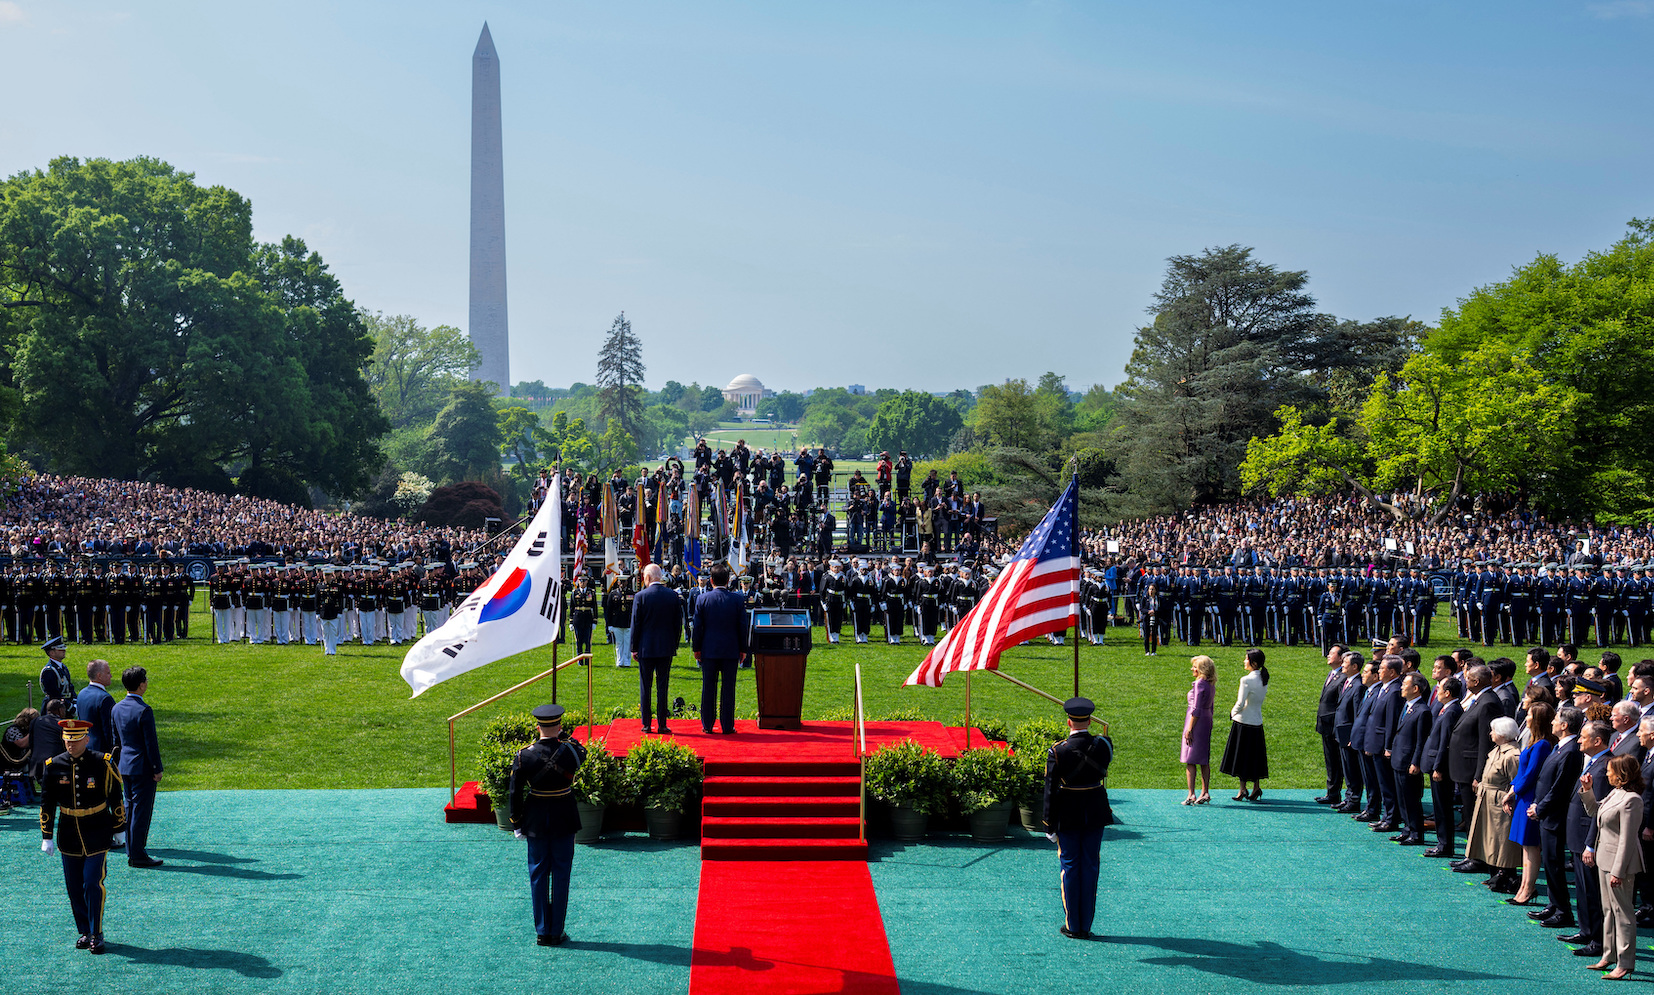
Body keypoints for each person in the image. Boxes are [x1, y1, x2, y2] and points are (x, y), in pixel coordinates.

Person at [38, 717, 127, 954]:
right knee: (75, 887)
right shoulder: (53, 765)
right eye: (67, 740)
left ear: (86, 739)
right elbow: (47, 803)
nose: (70, 745)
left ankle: (97, 933)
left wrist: (119, 828)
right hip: (68, 833)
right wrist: (46, 835)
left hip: (97, 831)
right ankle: (84, 931)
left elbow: (115, 796)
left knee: (92, 882)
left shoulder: (102, 762)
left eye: (75, 740)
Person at [506, 703, 587, 947]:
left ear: (537, 726)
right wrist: (565, 737)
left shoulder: (524, 754)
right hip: (564, 814)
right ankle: (556, 930)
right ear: (560, 726)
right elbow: (582, 753)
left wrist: (516, 822)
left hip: (536, 818)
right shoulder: (571, 751)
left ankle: (542, 931)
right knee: (561, 873)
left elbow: (514, 792)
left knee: (538, 873)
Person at [1041, 696, 1114, 940]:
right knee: (1090, 865)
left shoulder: (1058, 750)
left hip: (1068, 813)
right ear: (1090, 720)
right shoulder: (1104, 744)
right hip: (1095, 811)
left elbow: (1050, 790)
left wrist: (1048, 824)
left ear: (1069, 721)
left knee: (1070, 866)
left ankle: (1073, 925)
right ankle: (1086, 924)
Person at [1581, 754, 1646, 977]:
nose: (1607, 773)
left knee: (1623, 913)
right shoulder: (1615, 793)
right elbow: (1594, 812)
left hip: (1620, 865)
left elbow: (1628, 840)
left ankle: (1625, 963)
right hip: (1605, 859)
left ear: (1622, 775)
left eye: (1610, 770)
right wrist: (1588, 791)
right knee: (1608, 910)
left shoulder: (1632, 800)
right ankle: (1609, 955)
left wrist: (1618, 871)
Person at [1564, 719, 1616, 958]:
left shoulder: (1604, 767)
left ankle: (1597, 939)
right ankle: (1586, 931)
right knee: (1583, 890)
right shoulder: (1594, 763)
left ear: (1597, 741)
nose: (1578, 741)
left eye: (1583, 737)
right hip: (1579, 834)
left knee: (1591, 892)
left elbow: (1600, 811)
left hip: (1588, 837)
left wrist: (1589, 844)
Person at [111, 665, 164, 868]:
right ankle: (137, 853)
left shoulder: (116, 708)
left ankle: (132, 850)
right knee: (141, 812)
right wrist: (156, 768)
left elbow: (116, 741)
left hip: (125, 765)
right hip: (142, 768)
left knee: (130, 808)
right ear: (141, 685)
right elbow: (151, 743)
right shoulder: (143, 710)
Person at [1504, 702, 1556, 904]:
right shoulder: (1534, 742)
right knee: (1525, 846)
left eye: (1530, 715)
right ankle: (1524, 886)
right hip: (1522, 795)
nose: (1526, 717)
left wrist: (1513, 791)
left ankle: (1528, 888)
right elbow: (1522, 773)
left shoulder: (1542, 744)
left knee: (1531, 846)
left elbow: (1531, 774)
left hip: (1529, 797)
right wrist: (1512, 789)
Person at [1465, 716, 1523, 892]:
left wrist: (1509, 798)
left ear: (1504, 735)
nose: (1491, 734)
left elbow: (1516, 782)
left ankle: (1506, 876)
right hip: (1487, 799)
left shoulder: (1512, 755)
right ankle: (1494, 874)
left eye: (1494, 731)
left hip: (1499, 802)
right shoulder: (1497, 750)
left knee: (1500, 841)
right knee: (1488, 839)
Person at [693, 562, 749, 735]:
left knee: (708, 688)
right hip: (731, 650)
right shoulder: (737, 599)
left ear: (710, 581)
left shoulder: (703, 599)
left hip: (709, 650)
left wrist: (696, 649)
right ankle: (727, 725)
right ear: (728, 581)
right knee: (728, 689)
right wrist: (743, 649)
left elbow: (697, 627)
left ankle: (707, 725)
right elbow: (742, 627)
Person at [630, 564, 682, 735]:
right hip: (665, 648)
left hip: (645, 648)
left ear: (647, 577)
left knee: (646, 686)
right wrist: (674, 644)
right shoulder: (673, 596)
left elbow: (636, 624)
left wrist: (634, 648)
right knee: (662, 686)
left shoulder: (641, 596)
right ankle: (662, 724)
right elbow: (677, 625)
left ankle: (646, 724)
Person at [1389, 672, 1433, 845]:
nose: (1401, 686)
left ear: (1415, 689)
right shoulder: (1407, 706)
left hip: (1409, 762)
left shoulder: (1423, 711)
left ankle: (1416, 833)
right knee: (1402, 798)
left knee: (1411, 799)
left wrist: (1416, 762)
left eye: (1405, 684)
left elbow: (1421, 741)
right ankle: (1407, 829)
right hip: (1399, 759)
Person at [1220, 648, 1270, 801]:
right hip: (1257, 721)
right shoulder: (1264, 678)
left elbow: (1240, 703)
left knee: (1241, 756)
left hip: (1243, 722)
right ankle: (1256, 787)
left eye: (1246, 659)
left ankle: (1242, 789)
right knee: (1255, 756)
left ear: (1253, 662)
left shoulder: (1246, 680)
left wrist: (1232, 713)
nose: (1244, 661)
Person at [1181, 656, 1215, 805]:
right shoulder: (1210, 684)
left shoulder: (1199, 684)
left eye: (1195, 667)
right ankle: (1205, 791)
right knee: (1203, 759)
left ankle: (1191, 794)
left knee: (1190, 759)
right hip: (1206, 719)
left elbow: (1196, 709)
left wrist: (1189, 728)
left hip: (1196, 721)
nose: (1192, 669)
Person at [75, 659, 118, 756]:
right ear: (99, 676)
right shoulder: (105, 698)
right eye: (108, 673)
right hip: (101, 751)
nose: (111, 676)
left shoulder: (81, 694)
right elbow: (110, 730)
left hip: (84, 748)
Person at [39, 634, 76, 716]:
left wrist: (75, 701)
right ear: (52, 653)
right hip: (54, 709)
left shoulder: (63, 667)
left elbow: (70, 687)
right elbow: (54, 694)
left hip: (64, 707)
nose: (64, 651)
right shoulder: (49, 671)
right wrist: (70, 706)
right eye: (60, 649)